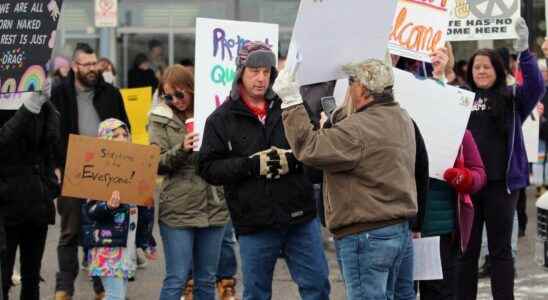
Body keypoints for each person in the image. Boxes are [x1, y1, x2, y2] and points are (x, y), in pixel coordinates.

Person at [274, 57, 428, 300]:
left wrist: (291, 101)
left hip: (366, 234)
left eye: (351, 83)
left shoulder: (357, 128)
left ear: (363, 90)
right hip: (397, 229)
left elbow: (308, 148)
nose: (347, 88)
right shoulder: (402, 117)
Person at [198, 41, 331, 300]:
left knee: (317, 286)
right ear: (240, 72)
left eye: (266, 72)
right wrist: (251, 165)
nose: (261, 78)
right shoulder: (221, 119)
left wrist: (293, 160)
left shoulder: (291, 106)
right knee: (257, 294)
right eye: (254, 71)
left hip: (300, 216)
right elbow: (207, 168)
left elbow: (316, 149)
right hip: (254, 221)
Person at [457, 18, 545, 299]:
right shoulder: (459, 98)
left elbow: (535, 85)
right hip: (469, 187)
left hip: (500, 186)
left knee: (500, 251)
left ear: (496, 69)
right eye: (476, 67)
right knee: (466, 252)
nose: (481, 71)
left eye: (486, 66)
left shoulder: (511, 98)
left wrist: (525, 53)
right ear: (470, 72)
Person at [52, 43, 130, 300]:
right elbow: (50, 135)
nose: (93, 69)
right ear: (75, 66)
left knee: (100, 230)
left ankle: (101, 287)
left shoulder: (110, 93)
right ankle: (64, 286)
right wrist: (55, 166)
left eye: (95, 63)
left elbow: (125, 129)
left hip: (105, 174)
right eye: (86, 64)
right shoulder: (59, 93)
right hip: (71, 171)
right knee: (71, 230)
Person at [148, 65, 229, 300]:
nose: (175, 100)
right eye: (168, 96)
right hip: (178, 209)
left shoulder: (212, 111)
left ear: (192, 90)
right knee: (177, 278)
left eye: (180, 94)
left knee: (206, 279)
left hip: (213, 205)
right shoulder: (159, 118)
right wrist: (181, 149)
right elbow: (155, 163)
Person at [415, 47, 488, 300]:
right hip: (400, 228)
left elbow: (479, 174)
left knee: (439, 293)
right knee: (399, 292)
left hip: (439, 230)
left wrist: (464, 178)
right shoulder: (400, 128)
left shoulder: (458, 131)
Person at [81, 118, 155, 300]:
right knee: (115, 296)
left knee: (117, 296)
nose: (122, 138)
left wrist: (146, 241)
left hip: (127, 247)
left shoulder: (135, 169)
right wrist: (107, 206)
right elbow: (90, 212)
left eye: (125, 134)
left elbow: (143, 213)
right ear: (104, 140)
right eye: (115, 135)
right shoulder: (98, 172)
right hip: (107, 247)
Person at [0, 85, 60, 300]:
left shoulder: (43, 104)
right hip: (5, 206)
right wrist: (29, 108)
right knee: (3, 277)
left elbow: (50, 147)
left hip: (36, 203)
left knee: (32, 277)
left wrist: (51, 185)